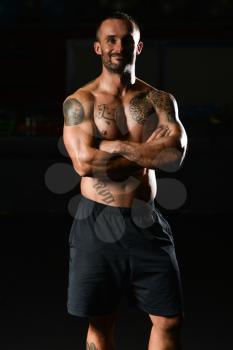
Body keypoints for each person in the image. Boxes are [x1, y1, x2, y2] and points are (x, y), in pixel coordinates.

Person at [63, 11, 188, 350]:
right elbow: (84, 163)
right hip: (96, 222)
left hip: (145, 219)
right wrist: (145, 150)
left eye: (127, 39)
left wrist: (115, 145)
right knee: (101, 321)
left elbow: (174, 155)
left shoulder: (159, 100)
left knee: (169, 319)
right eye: (111, 40)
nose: (120, 46)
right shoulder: (80, 102)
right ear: (98, 48)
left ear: (139, 46)